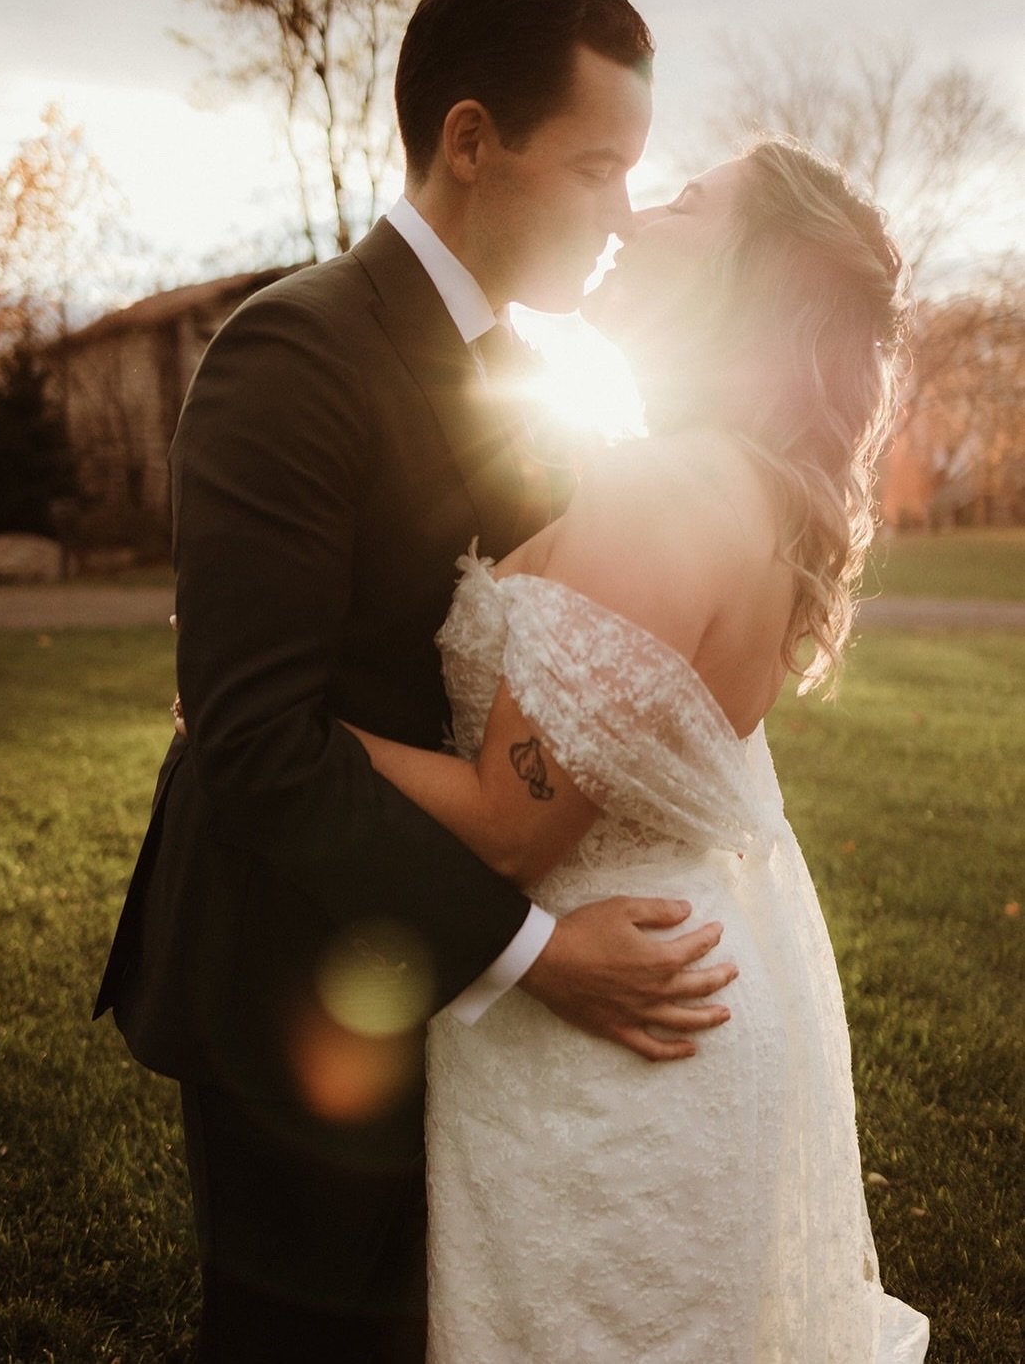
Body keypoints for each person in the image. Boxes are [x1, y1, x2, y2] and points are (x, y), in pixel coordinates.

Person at [93, 0, 740, 1362]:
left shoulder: (519, 374)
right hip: (291, 977)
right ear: (469, 141)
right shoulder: (291, 357)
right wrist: (532, 954)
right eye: (593, 168)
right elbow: (252, 742)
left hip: (434, 967)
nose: (622, 214)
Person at [345, 138, 931, 1360]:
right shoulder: (756, 490)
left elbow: (510, 822)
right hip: (671, 1007)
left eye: (684, 202)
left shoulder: (664, 489)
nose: (637, 210)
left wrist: (288, 725)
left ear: (743, 281)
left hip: (612, 1043)